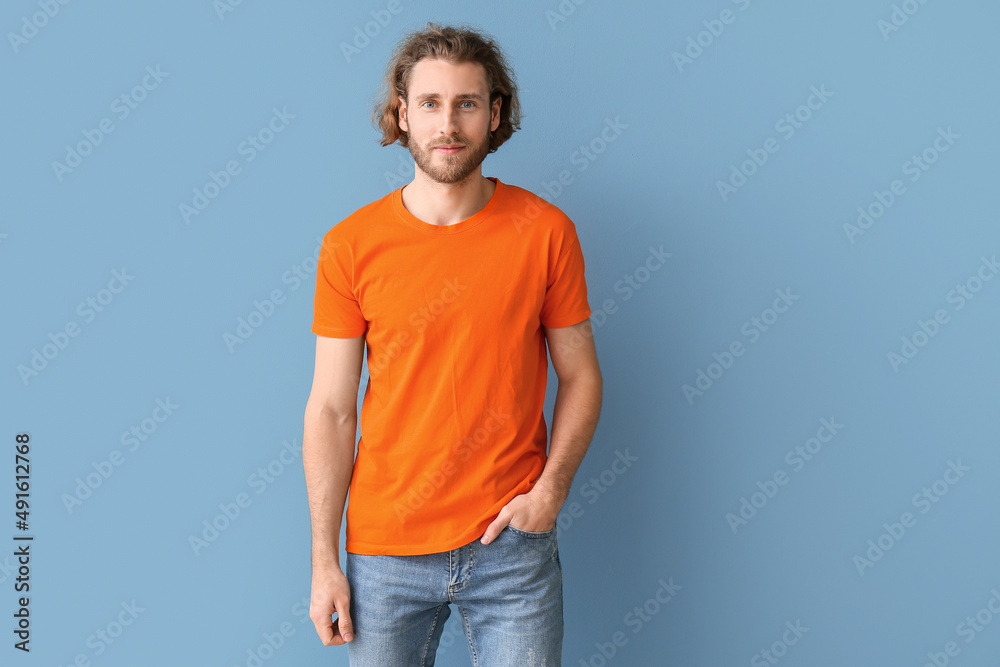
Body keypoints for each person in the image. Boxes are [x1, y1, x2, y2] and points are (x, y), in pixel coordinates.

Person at [303, 21, 602, 666]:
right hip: (385, 554)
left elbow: (581, 375)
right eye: (431, 104)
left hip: (512, 550)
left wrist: (549, 493)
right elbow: (331, 409)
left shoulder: (546, 232)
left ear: (495, 114)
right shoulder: (350, 246)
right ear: (401, 115)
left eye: (467, 103)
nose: (449, 124)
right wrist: (325, 560)